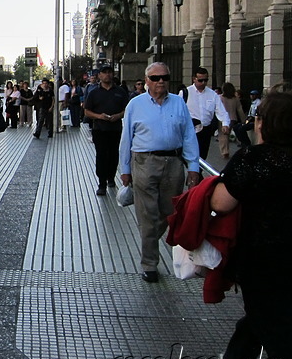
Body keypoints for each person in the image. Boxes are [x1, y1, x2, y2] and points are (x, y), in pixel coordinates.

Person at [211, 90, 292, 359]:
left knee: (267, 316)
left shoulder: (253, 158)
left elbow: (221, 203)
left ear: (264, 123)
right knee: (265, 312)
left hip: (262, 257)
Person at [119, 62, 200, 283]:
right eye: (155, 78)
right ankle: (149, 264)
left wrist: (193, 167)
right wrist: (125, 169)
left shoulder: (178, 103)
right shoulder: (135, 105)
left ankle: (150, 240)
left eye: (164, 77)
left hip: (173, 162)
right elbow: (126, 139)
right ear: (147, 81)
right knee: (147, 215)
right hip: (144, 162)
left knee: (169, 212)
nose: (160, 81)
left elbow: (188, 136)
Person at [83, 65, 129, 196]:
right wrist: (99, 116)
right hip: (99, 129)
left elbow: (127, 109)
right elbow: (87, 111)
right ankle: (101, 183)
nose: (107, 75)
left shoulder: (120, 92)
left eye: (110, 72)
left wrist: (118, 116)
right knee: (102, 155)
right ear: (100, 76)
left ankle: (111, 178)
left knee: (114, 154)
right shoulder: (94, 93)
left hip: (115, 129)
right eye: (104, 73)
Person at [181, 67, 230, 160]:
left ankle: (197, 173)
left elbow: (221, 110)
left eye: (205, 80)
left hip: (206, 130)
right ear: (194, 79)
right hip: (191, 129)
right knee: (191, 157)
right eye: (200, 80)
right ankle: (195, 173)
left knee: (202, 157)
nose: (203, 83)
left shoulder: (212, 94)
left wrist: (225, 124)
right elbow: (178, 112)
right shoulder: (185, 93)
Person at [218, 82, 246, 159]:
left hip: (222, 119)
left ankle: (225, 151)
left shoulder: (220, 98)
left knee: (223, 135)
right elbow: (239, 109)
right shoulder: (235, 98)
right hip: (232, 118)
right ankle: (228, 149)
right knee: (228, 134)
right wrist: (243, 119)